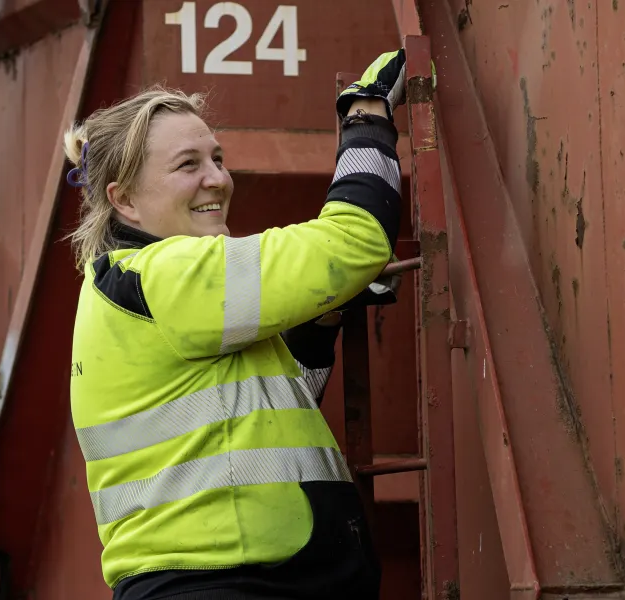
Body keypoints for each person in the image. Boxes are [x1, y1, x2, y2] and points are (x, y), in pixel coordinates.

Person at [65, 49, 407, 600]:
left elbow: (259, 416)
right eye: (188, 165)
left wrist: (315, 327)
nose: (218, 180)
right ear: (123, 200)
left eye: (218, 159)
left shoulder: (130, 288)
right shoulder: (167, 275)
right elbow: (355, 240)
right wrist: (366, 117)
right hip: (223, 585)